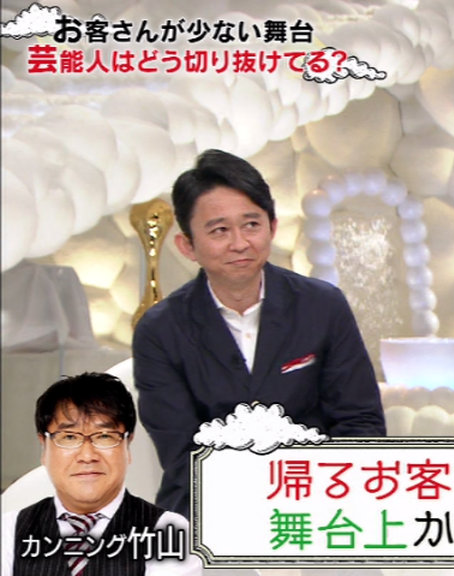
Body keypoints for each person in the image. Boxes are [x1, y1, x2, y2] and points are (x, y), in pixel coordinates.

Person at [133, 149, 386, 518]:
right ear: (187, 245)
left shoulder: (322, 306)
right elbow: (182, 453)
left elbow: (360, 423)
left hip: (317, 499)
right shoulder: (160, 330)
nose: (240, 243)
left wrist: (314, 495)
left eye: (251, 224)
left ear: (272, 227)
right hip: (208, 507)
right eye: (219, 230)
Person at [1, 372, 203, 575]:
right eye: (69, 437)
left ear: (127, 445)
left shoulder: (168, 531)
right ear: (44, 447)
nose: (87, 456)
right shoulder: (9, 530)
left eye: (104, 436)